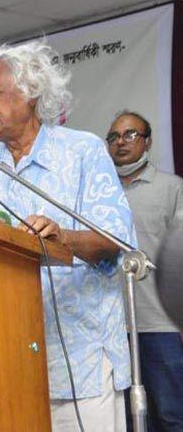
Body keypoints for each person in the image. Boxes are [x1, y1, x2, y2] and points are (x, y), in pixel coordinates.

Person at [0, 40, 136, 431]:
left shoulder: (82, 151)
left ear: (30, 95)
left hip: (80, 360)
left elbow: (114, 241)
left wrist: (63, 238)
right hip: (10, 362)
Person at [106, 110, 183, 431]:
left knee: (171, 416)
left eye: (130, 134)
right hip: (111, 329)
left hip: (160, 325)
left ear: (148, 142)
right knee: (128, 421)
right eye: (113, 137)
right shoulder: (101, 190)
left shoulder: (172, 187)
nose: (120, 142)